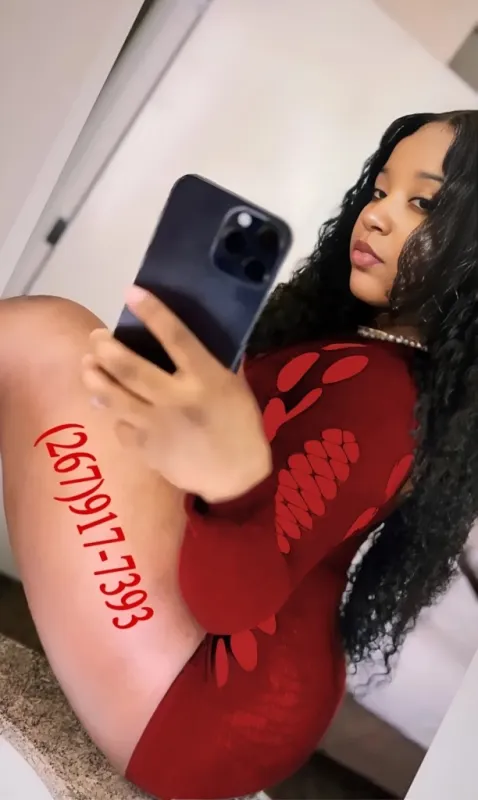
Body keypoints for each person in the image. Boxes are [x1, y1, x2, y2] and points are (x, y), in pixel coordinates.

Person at [1, 108, 477, 800]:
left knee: (42, 337)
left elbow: (230, 604)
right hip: (247, 696)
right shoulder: (370, 358)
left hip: (209, 706)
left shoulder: (384, 394)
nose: (376, 217)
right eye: (379, 190)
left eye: (422, 204)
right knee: (59, 350)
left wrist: (233, 483)